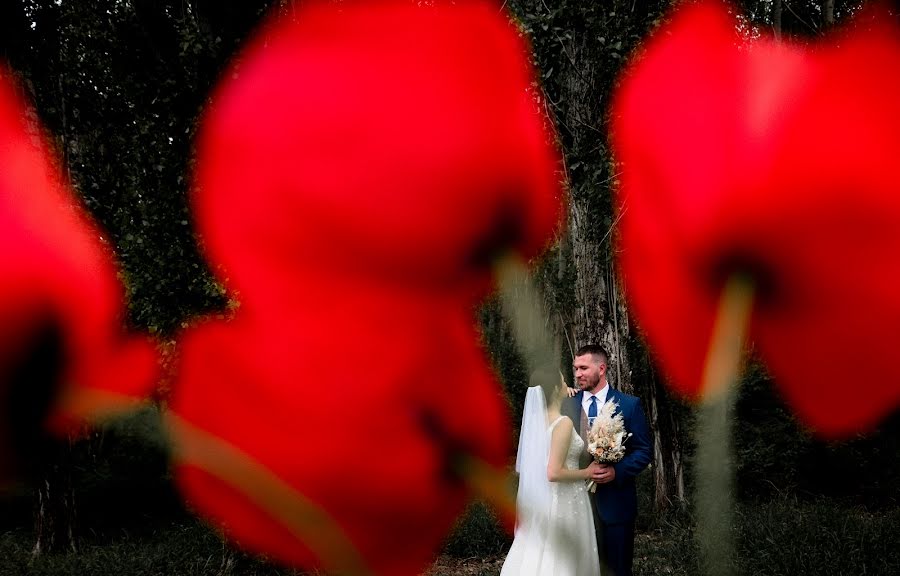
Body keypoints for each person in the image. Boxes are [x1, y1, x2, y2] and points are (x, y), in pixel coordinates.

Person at [501, 367, 604, 576]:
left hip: (545, 500)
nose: (569, 384)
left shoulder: (535, 422)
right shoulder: (563, 423)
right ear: (557, 388)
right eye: (564, 381)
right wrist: (588, 472)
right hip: (565, 501)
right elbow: (554, 472)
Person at [562, 345, 652, 576]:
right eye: (575, 369)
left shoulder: (629, 405)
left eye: (583, 368)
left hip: (617, 504)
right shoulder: (566, 404)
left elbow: (643, 451)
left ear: (601, 369)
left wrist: (617, 471)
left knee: (618, 570)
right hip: (575, 505)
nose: (578, 374)